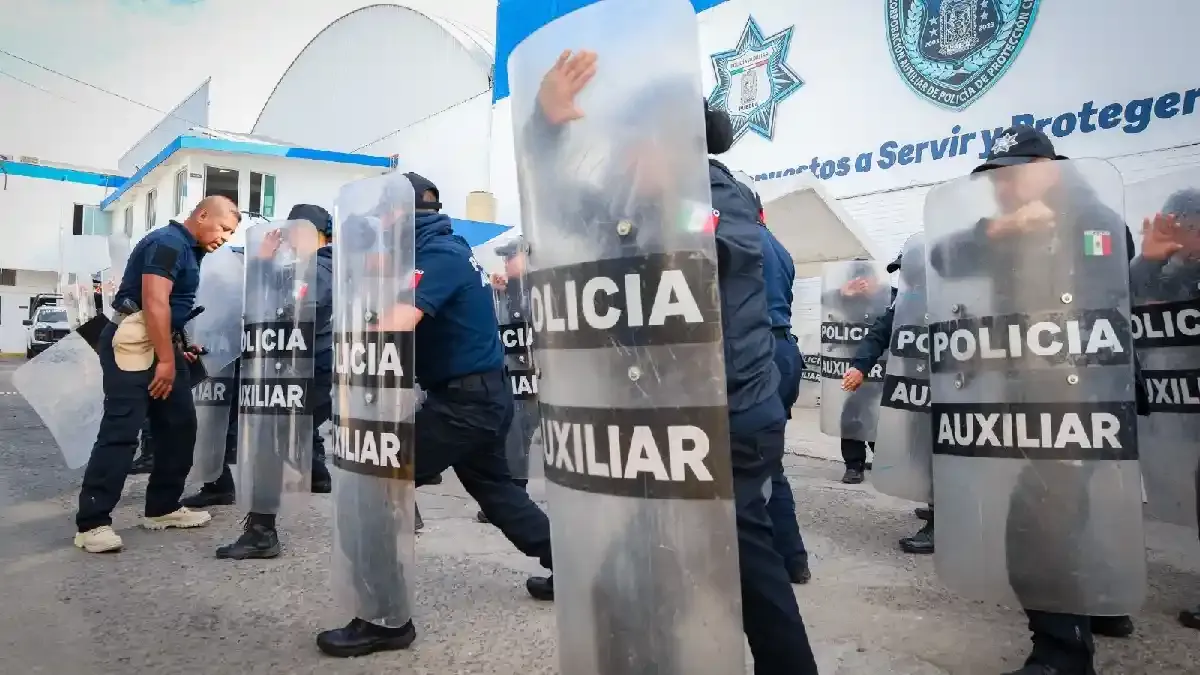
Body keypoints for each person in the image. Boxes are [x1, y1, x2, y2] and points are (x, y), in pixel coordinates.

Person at [517, 49, 819, 674]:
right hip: (672, 420)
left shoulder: (714, 196)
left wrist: (654, 207)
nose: (625, 156)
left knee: (744, 568)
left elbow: (715, 239)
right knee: (656, 564)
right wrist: (546, 128)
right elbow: (562, 205)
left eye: (638, 142)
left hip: (725, 423)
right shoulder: (639, 205)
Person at [927, 125, 1142, 675]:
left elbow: (1106, 281)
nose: (1000, 187)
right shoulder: (1007, 225)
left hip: (1081, 398)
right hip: (1036, 396)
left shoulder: (1092, 219)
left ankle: (1062, 654)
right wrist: (1000, 231)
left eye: (1011, 176)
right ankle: (1099, 608)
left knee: (1037, 521)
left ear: (1047, 169)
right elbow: (944, 259)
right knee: (1068, 511)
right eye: (995, 178)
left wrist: (1054, 235)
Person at [315, 173, 553, 656]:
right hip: (477, 395)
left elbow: (399, 321)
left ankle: (384, 620)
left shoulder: (438, 255)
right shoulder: (441, 248)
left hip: (466, 402)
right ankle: (573, 567)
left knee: (379, 483)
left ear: (398, 214)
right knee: (498, 491)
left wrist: (356, 336)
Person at [73, 195, 240, 553]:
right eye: (224, 228)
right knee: (121, 432)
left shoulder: (189, 248)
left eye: (231, 234)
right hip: (133, 342)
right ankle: (92, 524)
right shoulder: (168, 243)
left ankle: (162, 508)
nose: (225, 238)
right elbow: (154, 301)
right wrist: (166, 360)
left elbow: (170, 308)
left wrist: (177, 347)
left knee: (179, 426)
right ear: (202, 215)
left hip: (160, 344)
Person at [215, 205, 335, 560]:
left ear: (308, 232)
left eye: (289, 232)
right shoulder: (327, 265)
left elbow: (292, 310)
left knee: (269, 447)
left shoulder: (319, 267)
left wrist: (263, 263)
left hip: (308, 369)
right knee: (289, 436)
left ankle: (261, 532)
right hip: (315, 369)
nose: (284, 240)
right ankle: (316, 475)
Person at [842, 253, 934, 554]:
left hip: (949, 387)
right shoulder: (907, 299)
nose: (903, 278)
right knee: (922, 449)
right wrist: (860, 366)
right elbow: (881, 331)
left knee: (943, 452)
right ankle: (937, 505)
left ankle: (942, 523)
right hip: (917, 386)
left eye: (907, 272)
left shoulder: (952, 292)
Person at [751, 190, 812, 584]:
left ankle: (770, 560)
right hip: (783, 351)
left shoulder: (732, 236)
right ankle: (792, 558)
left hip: (755, 352)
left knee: (746, 459)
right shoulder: (777, 245)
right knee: (768, 460)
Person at [477, 237, 535, 525]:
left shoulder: (537, 289)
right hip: (515, 376)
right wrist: (500, 292)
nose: (505, 263)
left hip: (531, 377)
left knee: (519, 432)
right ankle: (514, 492)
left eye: (511, 257)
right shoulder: (508, 291)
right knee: (514, 434)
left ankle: (515, 494)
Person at [823, 262, 890, 484]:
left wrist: (875, 293)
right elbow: (825, 300)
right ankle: (854, 465)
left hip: (882, 368)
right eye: (857, 278)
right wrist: (842, 294)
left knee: (878, 415)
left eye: (866, 277)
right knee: (853, 413)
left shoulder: (889, 295)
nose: (862, 283)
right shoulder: (848, 297)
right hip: (855, 368)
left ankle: (882, 460)